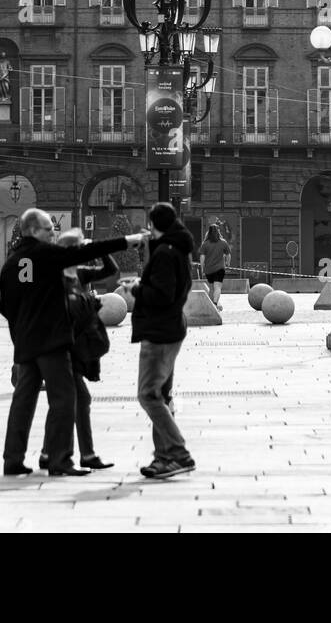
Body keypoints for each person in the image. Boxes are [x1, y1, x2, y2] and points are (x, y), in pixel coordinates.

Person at [0, 207, 145, 477]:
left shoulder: (13, 262)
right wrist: (128, 240)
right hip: (52, 341)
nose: (53, 233)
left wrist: (23, 328)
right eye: (48, 229)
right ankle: (60, 460)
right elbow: (85, 251)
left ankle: (13, 459)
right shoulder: (45, 254)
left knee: (23, 402)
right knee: (64, 399)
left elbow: (5, 307)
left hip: (26, 342)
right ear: (33, 230)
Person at [38, 230, 119, 472]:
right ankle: (82, 455)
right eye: (82, 247)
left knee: (67, 403)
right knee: (77, 400)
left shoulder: (80, 273)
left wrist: (99, 248)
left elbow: (111, 269)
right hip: (62, 348)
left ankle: (48, 453)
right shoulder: (55, 277)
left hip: (79, 347)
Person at [129, 201, 196, 480]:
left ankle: (178, 452)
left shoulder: (166, 254)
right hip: (171, 327)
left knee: (148, 395)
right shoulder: (176, 248)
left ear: (153, 224)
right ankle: (164, 458)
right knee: (161, 396)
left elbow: (161, 294)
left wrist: (136, 288)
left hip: (159, 332)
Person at [198, 223, 231, 308]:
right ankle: (215, 304)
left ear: (208, 232)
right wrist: (228, 263)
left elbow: (202, 257)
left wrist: (202, 268)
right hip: (220, 269)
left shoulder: (205, 244)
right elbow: (228, 254)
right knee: (218, 287)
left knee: (211, 288)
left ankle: (211, 306)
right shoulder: (223, 242)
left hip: (209, 270)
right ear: (218, 231)